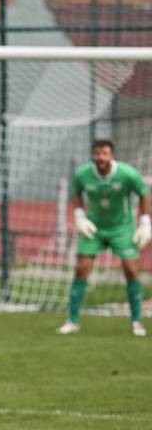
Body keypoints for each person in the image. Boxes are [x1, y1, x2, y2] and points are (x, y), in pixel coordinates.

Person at [57, 139, 151, 336]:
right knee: (81, 268)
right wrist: (80, 216)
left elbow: (143, 194)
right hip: (95, 228)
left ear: (112, 155)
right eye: (97, 154)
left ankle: (136, 322)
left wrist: (144, 221)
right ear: (93, 156)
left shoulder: (127, 174)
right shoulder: (83, 174)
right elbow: (76, 194)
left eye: (105, 154)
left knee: (131, 270)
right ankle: (72, 321)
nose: (101, 158)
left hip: (122, 228)